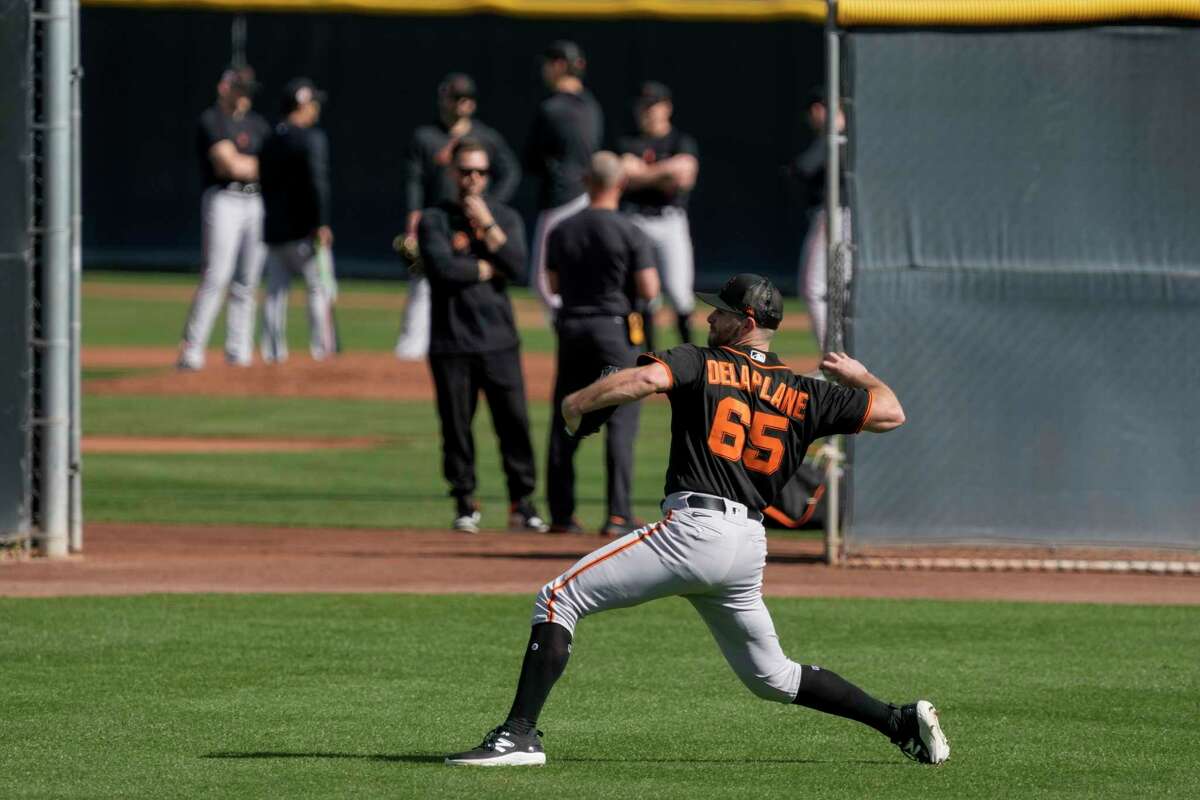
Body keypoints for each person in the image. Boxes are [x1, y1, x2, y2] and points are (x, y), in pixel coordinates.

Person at [445, 273, 950, 768]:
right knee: (772, 678)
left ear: (745, 321)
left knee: (559, 597)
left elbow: (644, 378)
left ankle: (517, 737)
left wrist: (575, 404)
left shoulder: (699, 360)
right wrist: (860, 376)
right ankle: (898, 722)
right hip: (747, 545)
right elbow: (891, 412)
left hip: (693, 531)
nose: (710, 316)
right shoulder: (804, 392)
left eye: (721, 310)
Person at [419, 138, 548, 534]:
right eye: (465, 171)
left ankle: (521, 503)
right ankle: (464, 502)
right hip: (450, 340)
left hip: (499, 339)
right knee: (456, 426)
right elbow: (441, 269)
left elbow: (518, 265)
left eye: (480, 172)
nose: (473, 179)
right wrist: (486, 268)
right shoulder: (434, 219)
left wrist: (487, 226)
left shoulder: (505, 217)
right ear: (452, 173)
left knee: (514, 424)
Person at [544, 152, 660, 537]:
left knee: (567, 414)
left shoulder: (561, 229)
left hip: (573, 326)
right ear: (620, 184)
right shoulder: (630, 231)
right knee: (621, 420)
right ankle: (617, 514)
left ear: (584, 181)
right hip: (614, 328)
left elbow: (554, 286)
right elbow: (648, 288)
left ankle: (561, 514)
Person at [394, 73, 522, 361]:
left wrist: (491, 206)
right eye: (454, 97)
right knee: (424, 281)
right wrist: (414, 215)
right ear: (443, 99)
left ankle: (479, 342)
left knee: (478, 284)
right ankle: (409, 353)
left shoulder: (485, 137)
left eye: (465, 98)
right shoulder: (426, 137)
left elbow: (511, 171)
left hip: (475, 222)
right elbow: (413, 179)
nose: (460, 104)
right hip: (438, 219)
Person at [178, 66, 270, 370]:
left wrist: (258, 166)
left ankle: (239, 350)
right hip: (224, 199)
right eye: (241, 89)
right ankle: (192, 350)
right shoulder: (212, 120)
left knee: (247, 280)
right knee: (216, 275)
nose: (246, 96)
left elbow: (274, 167)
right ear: (225, 88)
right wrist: (261, 165)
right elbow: (229, 166)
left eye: (249, 90)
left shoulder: (258, 124)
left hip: (255, 201)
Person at [258, 78, 338, 363]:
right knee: (318, 289)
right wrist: (322, 222)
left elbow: (264, 185)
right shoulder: (312, 138)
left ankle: (273, 354)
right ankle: (322, 352)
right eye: (313, 102)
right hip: (305, 230)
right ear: (303, 105)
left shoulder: (269, 139)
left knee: (275, 293)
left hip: (275, 229)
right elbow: (318, 183)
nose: (316, 108)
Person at [525, 40, 604, 315]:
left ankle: (574, 333)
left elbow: (532, 159)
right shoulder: (592, 106)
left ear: (559, 65)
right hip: (588, 198)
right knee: (579, 278)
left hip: (560, 199)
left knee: (544, 284)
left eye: (548, 64)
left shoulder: (552, 108)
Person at [618, 81, 700, 348]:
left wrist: (640, 174)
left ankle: (692, 358)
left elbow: (685, 175)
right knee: (644, 296)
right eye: (643, 106)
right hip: (635, 221)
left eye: (653, 105)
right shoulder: (627, 140)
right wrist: (664, 174)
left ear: (667, 107)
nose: (647, 111)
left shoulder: (681, 140)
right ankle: (647, 356)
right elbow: (621, 176)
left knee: (679, 293)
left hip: (670, 221)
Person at [791, 92, 851, 352]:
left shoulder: (835, 139)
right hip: (846, 216)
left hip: (834, 215)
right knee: (841, 286)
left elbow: (803, 167)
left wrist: (834, 129)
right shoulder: (840, 139)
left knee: (813, 287)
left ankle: (833, 357)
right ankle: (845, 355)